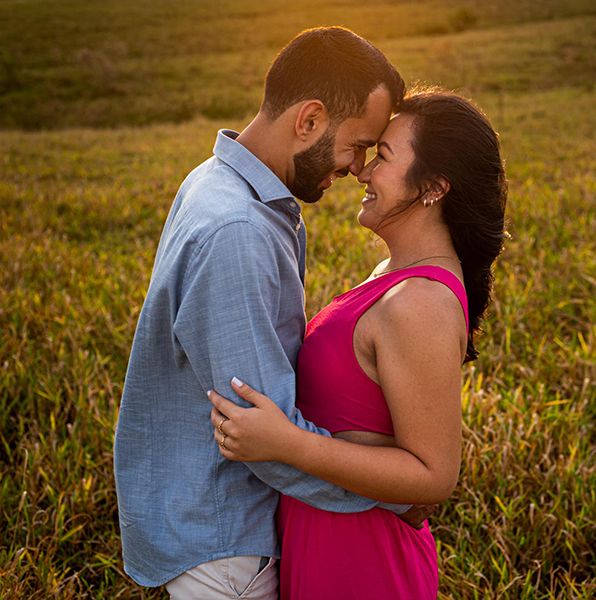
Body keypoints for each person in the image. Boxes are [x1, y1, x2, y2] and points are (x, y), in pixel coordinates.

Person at [113, 27, 427, 600]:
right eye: (357, 144)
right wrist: (401, 493)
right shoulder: (239, 229)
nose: (359, 167)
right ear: (308, 120)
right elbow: (262, 429)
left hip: (209, 521)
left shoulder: (216, 183)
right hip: (229, 542)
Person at [208, 88, 508, 599]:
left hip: (365, 564)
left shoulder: (419, 303)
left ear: (433, 187)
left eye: (384, 157)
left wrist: (288, 444)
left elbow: (433, 477)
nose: (363, 173)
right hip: (327, 544)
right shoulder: (396, 275)